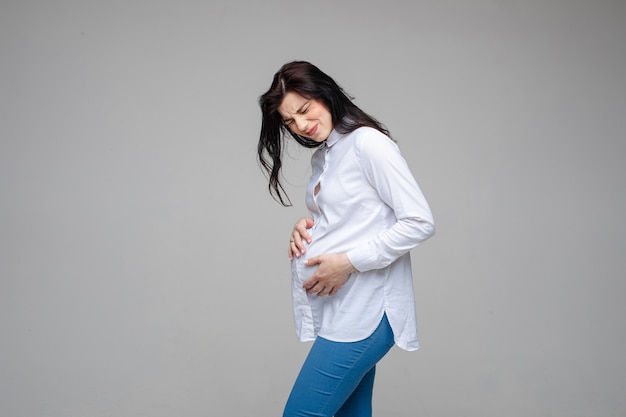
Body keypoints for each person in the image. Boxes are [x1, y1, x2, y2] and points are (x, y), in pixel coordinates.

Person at [257, 61, 435, 417]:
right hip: (345, 308)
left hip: (366, 311)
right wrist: (306, 226)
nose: (302, 125)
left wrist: (347, 262)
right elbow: (350, 216)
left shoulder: (368, 144)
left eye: (305, 110)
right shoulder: (325, 156)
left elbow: (419, 221)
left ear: (325, 93)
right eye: (290, 121)